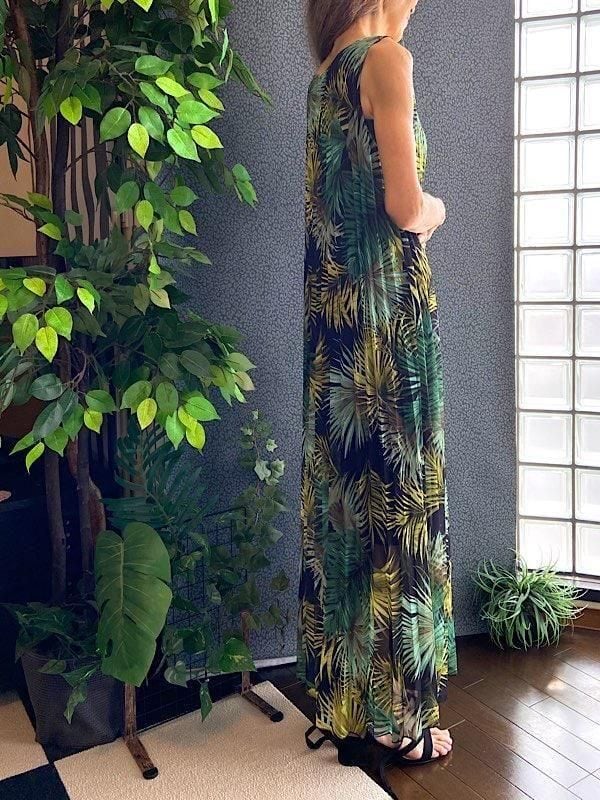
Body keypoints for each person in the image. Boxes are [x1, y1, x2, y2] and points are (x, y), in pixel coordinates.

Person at [296, 0, 458, 789]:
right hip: (388, 332)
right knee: (399, 509)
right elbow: (404, 205)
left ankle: (349, 706)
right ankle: (404, 723)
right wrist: (438, 210)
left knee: (346, 509)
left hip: (335, 337)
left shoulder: (325, 77)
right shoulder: (387, 62)